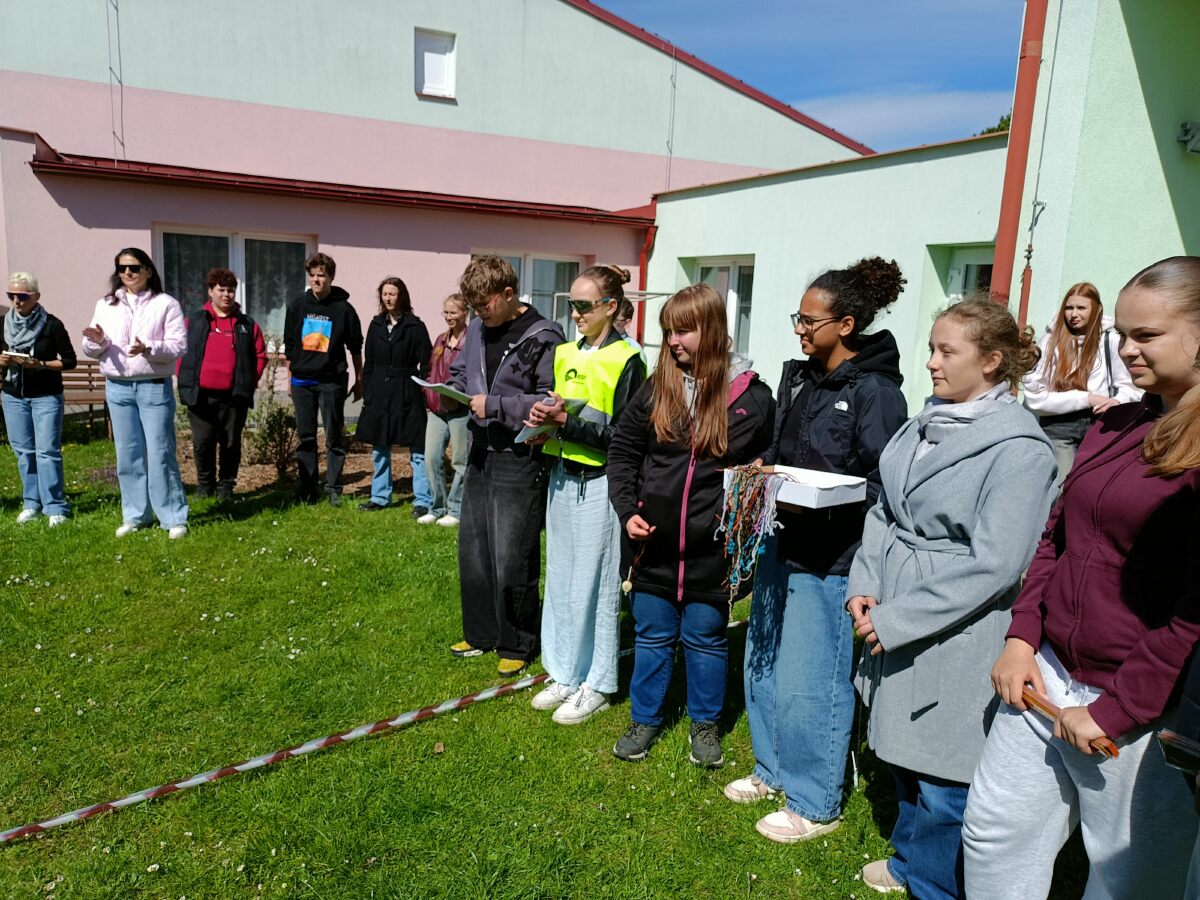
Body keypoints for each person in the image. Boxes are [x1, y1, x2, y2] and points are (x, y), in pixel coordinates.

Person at [963, 256, 1200, 900]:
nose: (1126, 350)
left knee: (1126, 882)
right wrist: (1022, 636)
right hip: (1046, 677)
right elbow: (1057, 535)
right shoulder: (1114, 423)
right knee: (992, 835)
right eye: (1122, 333)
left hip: (1141, 709)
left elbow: (1194, 610)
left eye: (1147, 335)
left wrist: (1119, 708)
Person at [846, 298, 1056, 898]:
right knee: (903, 753)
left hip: (958, 625)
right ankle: (912, 862)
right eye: (932, 348)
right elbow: (887, 509)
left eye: (947, 351)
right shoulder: (927, 420)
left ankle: (935, 884)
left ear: (991, 361)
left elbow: (996, 562)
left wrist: (899, 617)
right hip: (894, 603)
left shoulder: (1019, 449)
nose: (931, 362)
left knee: (944, 770)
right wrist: (866, 579)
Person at [726, 258, 909, 843]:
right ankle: (771, 769)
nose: (800, 329)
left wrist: (828, 501)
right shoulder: (799, 378)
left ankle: (814, 799)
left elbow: (887, 486)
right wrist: (762, 471)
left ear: (846, 325)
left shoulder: (876, 392)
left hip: (832, 556)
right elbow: (784, 452)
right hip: (781, 541)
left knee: (812, 677)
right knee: (765, 663)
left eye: (810, 321)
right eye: (798, 318)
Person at [607, 283, 774, 767]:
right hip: (652, 547)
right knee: (652, 635)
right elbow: (623, 451)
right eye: (668, 331)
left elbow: (771, 455)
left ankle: (705, 725)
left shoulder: (752, 396)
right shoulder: (655, 388)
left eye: (683, 331)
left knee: (706, 637)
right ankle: (644, 719)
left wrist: (757, 476)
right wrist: (628, 511)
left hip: (712, 552)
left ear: (713, 329)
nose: (673, 341)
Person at [524, 265, 647, 724]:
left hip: (601, 484)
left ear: (611, 307)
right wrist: (544, 426)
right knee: (560, 580)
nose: (575, 314)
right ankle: (564, 672)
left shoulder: (629, 359)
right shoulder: (564, 353)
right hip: (562, 477)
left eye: (583, 305)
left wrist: (567, 424)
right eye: (570, 304)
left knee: (596, 587)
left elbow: (626, 438)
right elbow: (563, 412)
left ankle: (597, 681)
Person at [446, 256, 565, 677]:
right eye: (474, 306)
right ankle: (481, 633)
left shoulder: (544, 335)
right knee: (474, 547)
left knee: (513, 552)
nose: (479, 313)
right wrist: (450, 391)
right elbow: (462, 373)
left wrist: (495, 405)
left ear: (509, 294)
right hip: (481, 450)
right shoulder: (478, 328)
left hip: (519, 455)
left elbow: (550, 400)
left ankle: (517, 641)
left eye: (485, 304)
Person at [82, 248, 190, 538]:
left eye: (134, 267)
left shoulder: (166, 304)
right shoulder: (106, 305)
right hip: (117, 387)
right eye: (122, 268)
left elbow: (179, 345)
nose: (127, 273)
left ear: (148, 270)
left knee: (160, 453)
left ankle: (173, 517)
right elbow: (91, 347)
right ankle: (135, 516)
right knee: (128, 454)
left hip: (153, 386)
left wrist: (149, 348)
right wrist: (97, 341)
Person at [1022, 282, 1139, 486]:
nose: (1073, 314)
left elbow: (1130, 387)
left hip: (1100, 424)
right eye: (1069, 308)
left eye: (1081, 308)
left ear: (1096, 309)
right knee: (1061, 486)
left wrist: (1117, 401)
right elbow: (1034, 398)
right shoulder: (1051, 342)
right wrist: (1087, 398)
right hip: (1059, 426)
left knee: (1093, 485)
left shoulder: (1110, 340)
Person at [175, 268, 267, 500]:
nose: (226, 295)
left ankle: (226, 487)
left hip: (234, 396)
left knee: (230, 443)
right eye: (221, 290)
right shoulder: (194, 321)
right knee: (203, 442)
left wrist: (249, 380)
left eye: (231, 290)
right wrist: (183, 376)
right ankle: (205, 486)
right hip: (200, 395)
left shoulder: (247, 324)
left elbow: (260, 355)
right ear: (210, 291)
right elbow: (179, 351)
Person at [283, 252, 364, 507]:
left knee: (334, 437)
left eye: (322, 275)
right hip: (302, 382)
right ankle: (308, 488)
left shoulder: (344, 309)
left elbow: (355, 347)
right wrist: (290, 379)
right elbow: (290, 346)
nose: (316, 280)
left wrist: (359, 379)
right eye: (313, 275)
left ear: (331, 277)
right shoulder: (297, 306)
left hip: (332, 381)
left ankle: (334, 488)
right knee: (306, 437)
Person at [1, 271, 77, 526]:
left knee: (47, 452)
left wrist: (41, 364)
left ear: (36, 296)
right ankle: (31, 503)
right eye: (11, 295)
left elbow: (69, 361)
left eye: (22, 296)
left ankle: (55, 506)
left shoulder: (52, 324)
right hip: (13, 396)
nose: (16, 301)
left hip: (46, 396)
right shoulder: (3, 323)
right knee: (24, 452)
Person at [355, 277, 432, 514]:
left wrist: (424, 391)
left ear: (402, 296)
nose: (388, 298)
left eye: (393, 294)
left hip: (407, 391)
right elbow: (369, 362)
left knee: (417, 449)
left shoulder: (415, 326)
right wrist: (368, 390)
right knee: (380, 447)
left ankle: (423, 500)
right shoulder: (376, 325)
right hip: (379, 391)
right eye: (385, 294)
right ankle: (380, 497)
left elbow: (426, 362)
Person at [421, 293, 469, 526]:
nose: (449, 317)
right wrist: (427, 390)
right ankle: (437, 507)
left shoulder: (471, 341)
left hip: (460, 408)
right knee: (431, 457)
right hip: (436, 408)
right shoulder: (441, 339)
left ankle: (456, 510)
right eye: (446, 312)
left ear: (465, 313)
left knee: (460, 461)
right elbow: (432, 368)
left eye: (454, 312)